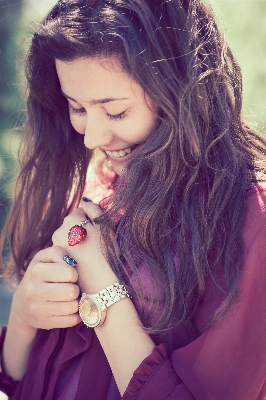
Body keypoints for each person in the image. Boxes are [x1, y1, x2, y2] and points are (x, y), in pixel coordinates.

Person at [1, 0, 266, 399]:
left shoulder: (250, 222)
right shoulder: (97, 178)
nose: (92, 138)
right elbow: (20, 378)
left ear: (183, 89)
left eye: (117, 112)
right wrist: (23, 313)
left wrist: (99, 282)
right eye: (77, 108)